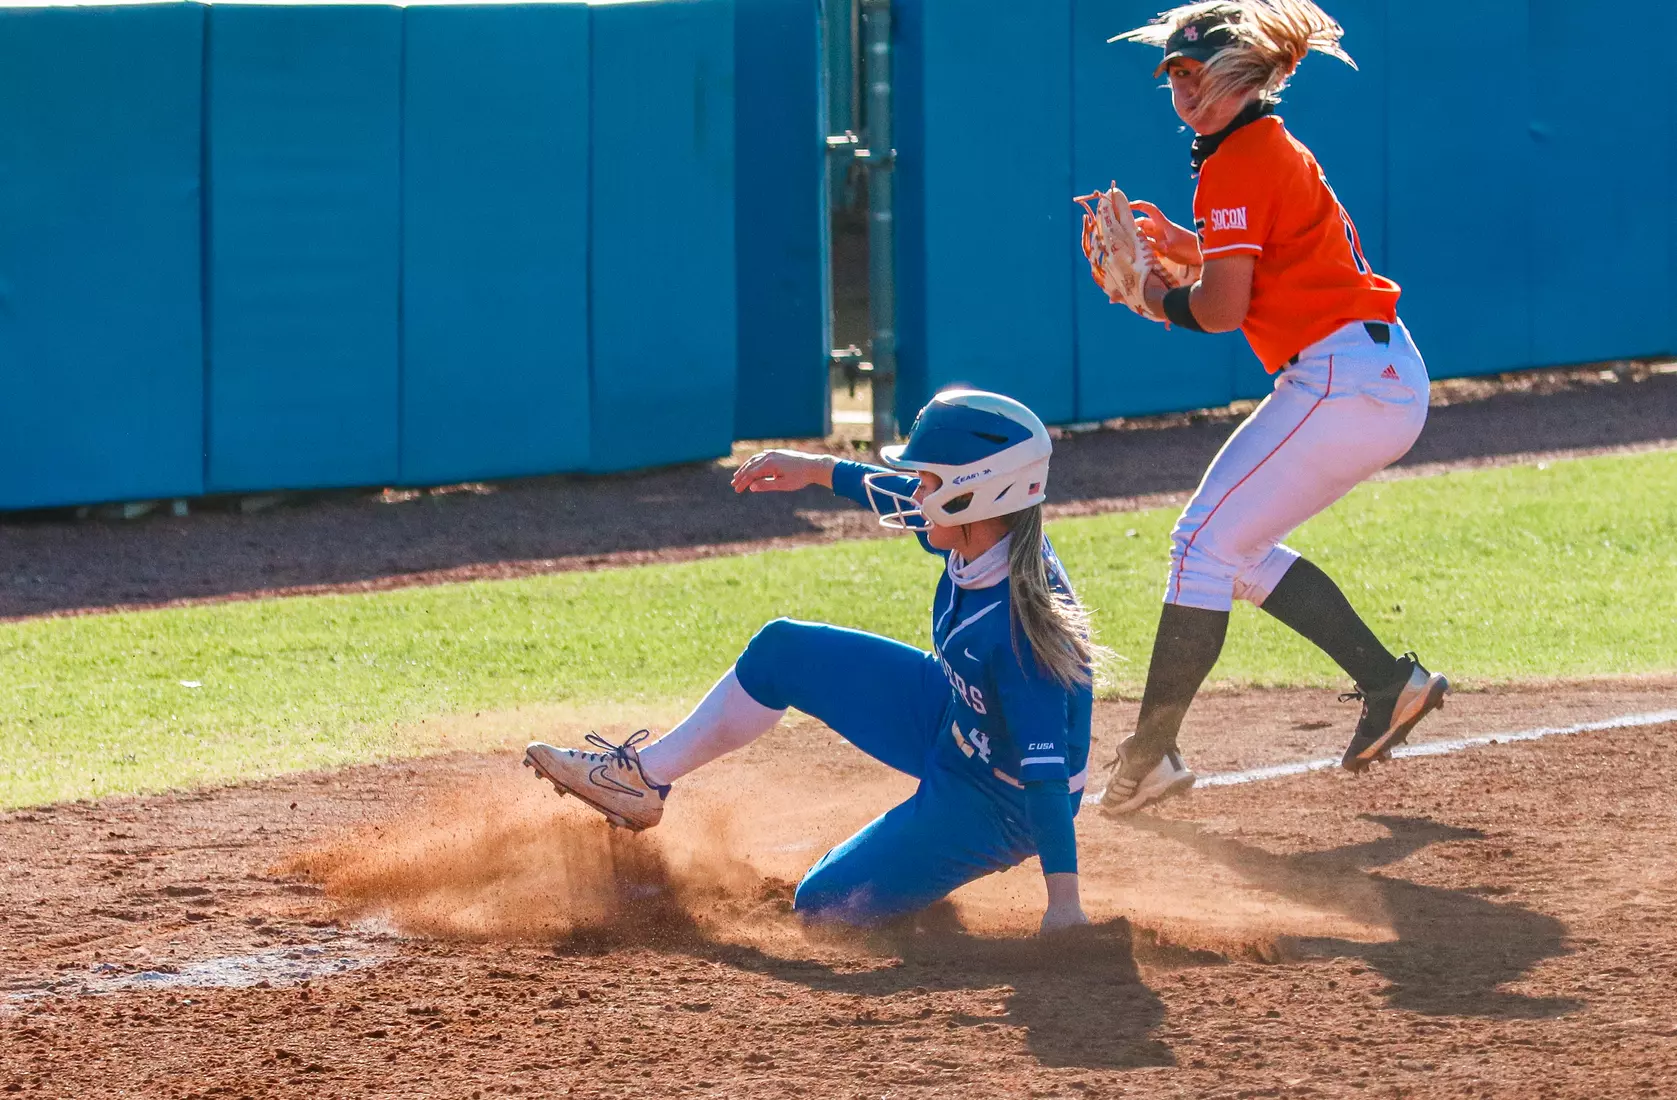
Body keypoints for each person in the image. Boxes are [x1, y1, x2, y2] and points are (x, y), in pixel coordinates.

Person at [524, 390, 1099, 934]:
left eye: (928, 481)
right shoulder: (983, 532)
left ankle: (922, 867)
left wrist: (1065, 906)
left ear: (974, 494)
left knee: (824, 907)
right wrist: (816, 468)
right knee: (784, 650)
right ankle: (642, 781)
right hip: (952, 714)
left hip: (1001, 799)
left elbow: (1045, 777)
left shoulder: (1024, 630)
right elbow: (893, 494)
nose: (917, 494)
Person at [1095, 0, 1448, 815]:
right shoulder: (1255, 149)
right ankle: (1390, 683)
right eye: (1175, 74)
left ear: (1240, 76)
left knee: (1199, 547)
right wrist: (1186, 250)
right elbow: (1262, 266)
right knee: (1234, 550)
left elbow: (1220, 309)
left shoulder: (1240, 157)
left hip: (1342, 377)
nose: (1183, 86)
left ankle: (1146, 756)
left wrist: (1149, 294)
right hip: (1362, 373)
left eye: (1197, 72)